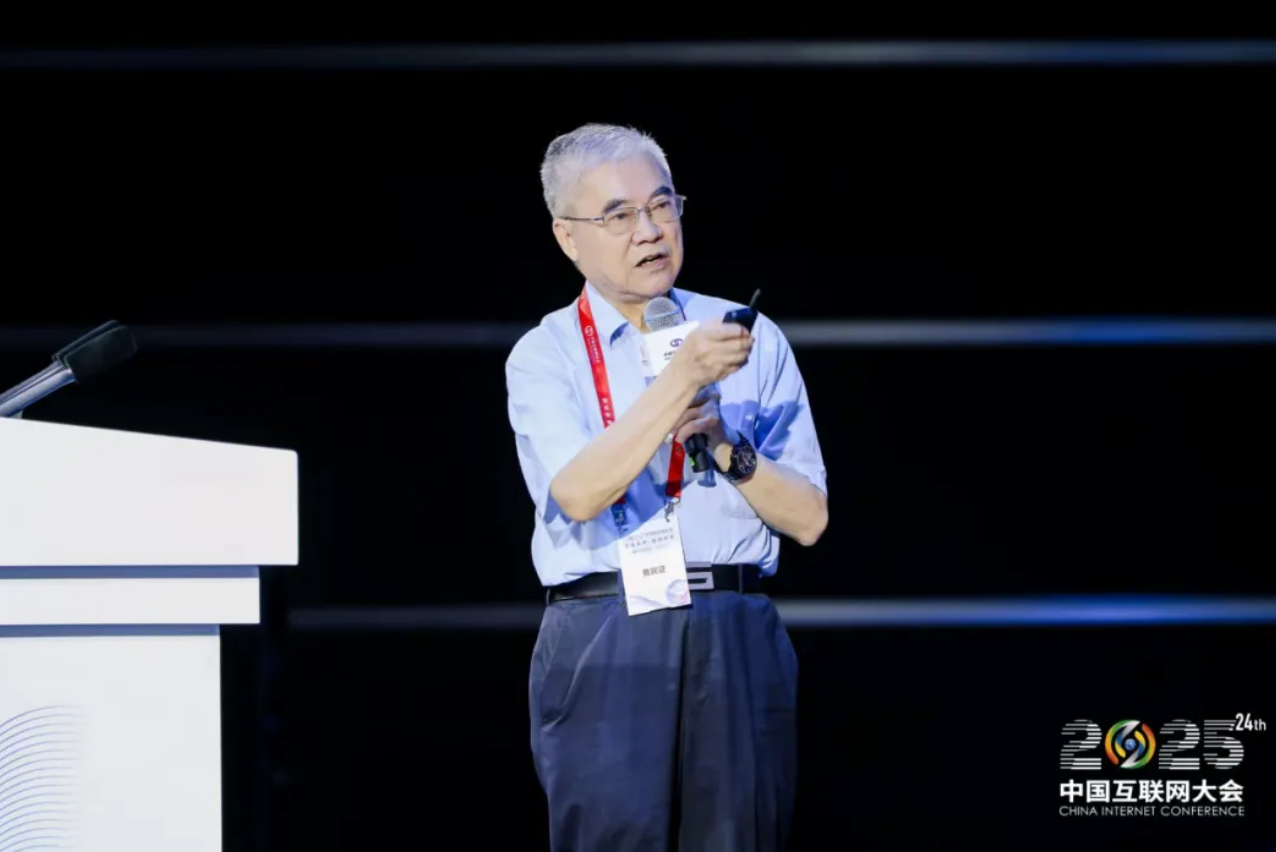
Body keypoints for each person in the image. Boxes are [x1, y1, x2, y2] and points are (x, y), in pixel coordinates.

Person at [505, 122, 828, 852]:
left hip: (734, 622)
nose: (650, 231)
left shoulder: (745, 338)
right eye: (619, 215)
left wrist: (724, 446)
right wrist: (681, 379)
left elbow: (809, 518)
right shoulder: (545, 355)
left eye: (662, 205)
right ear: (567, 237)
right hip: (606, 628)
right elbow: (580, 493)